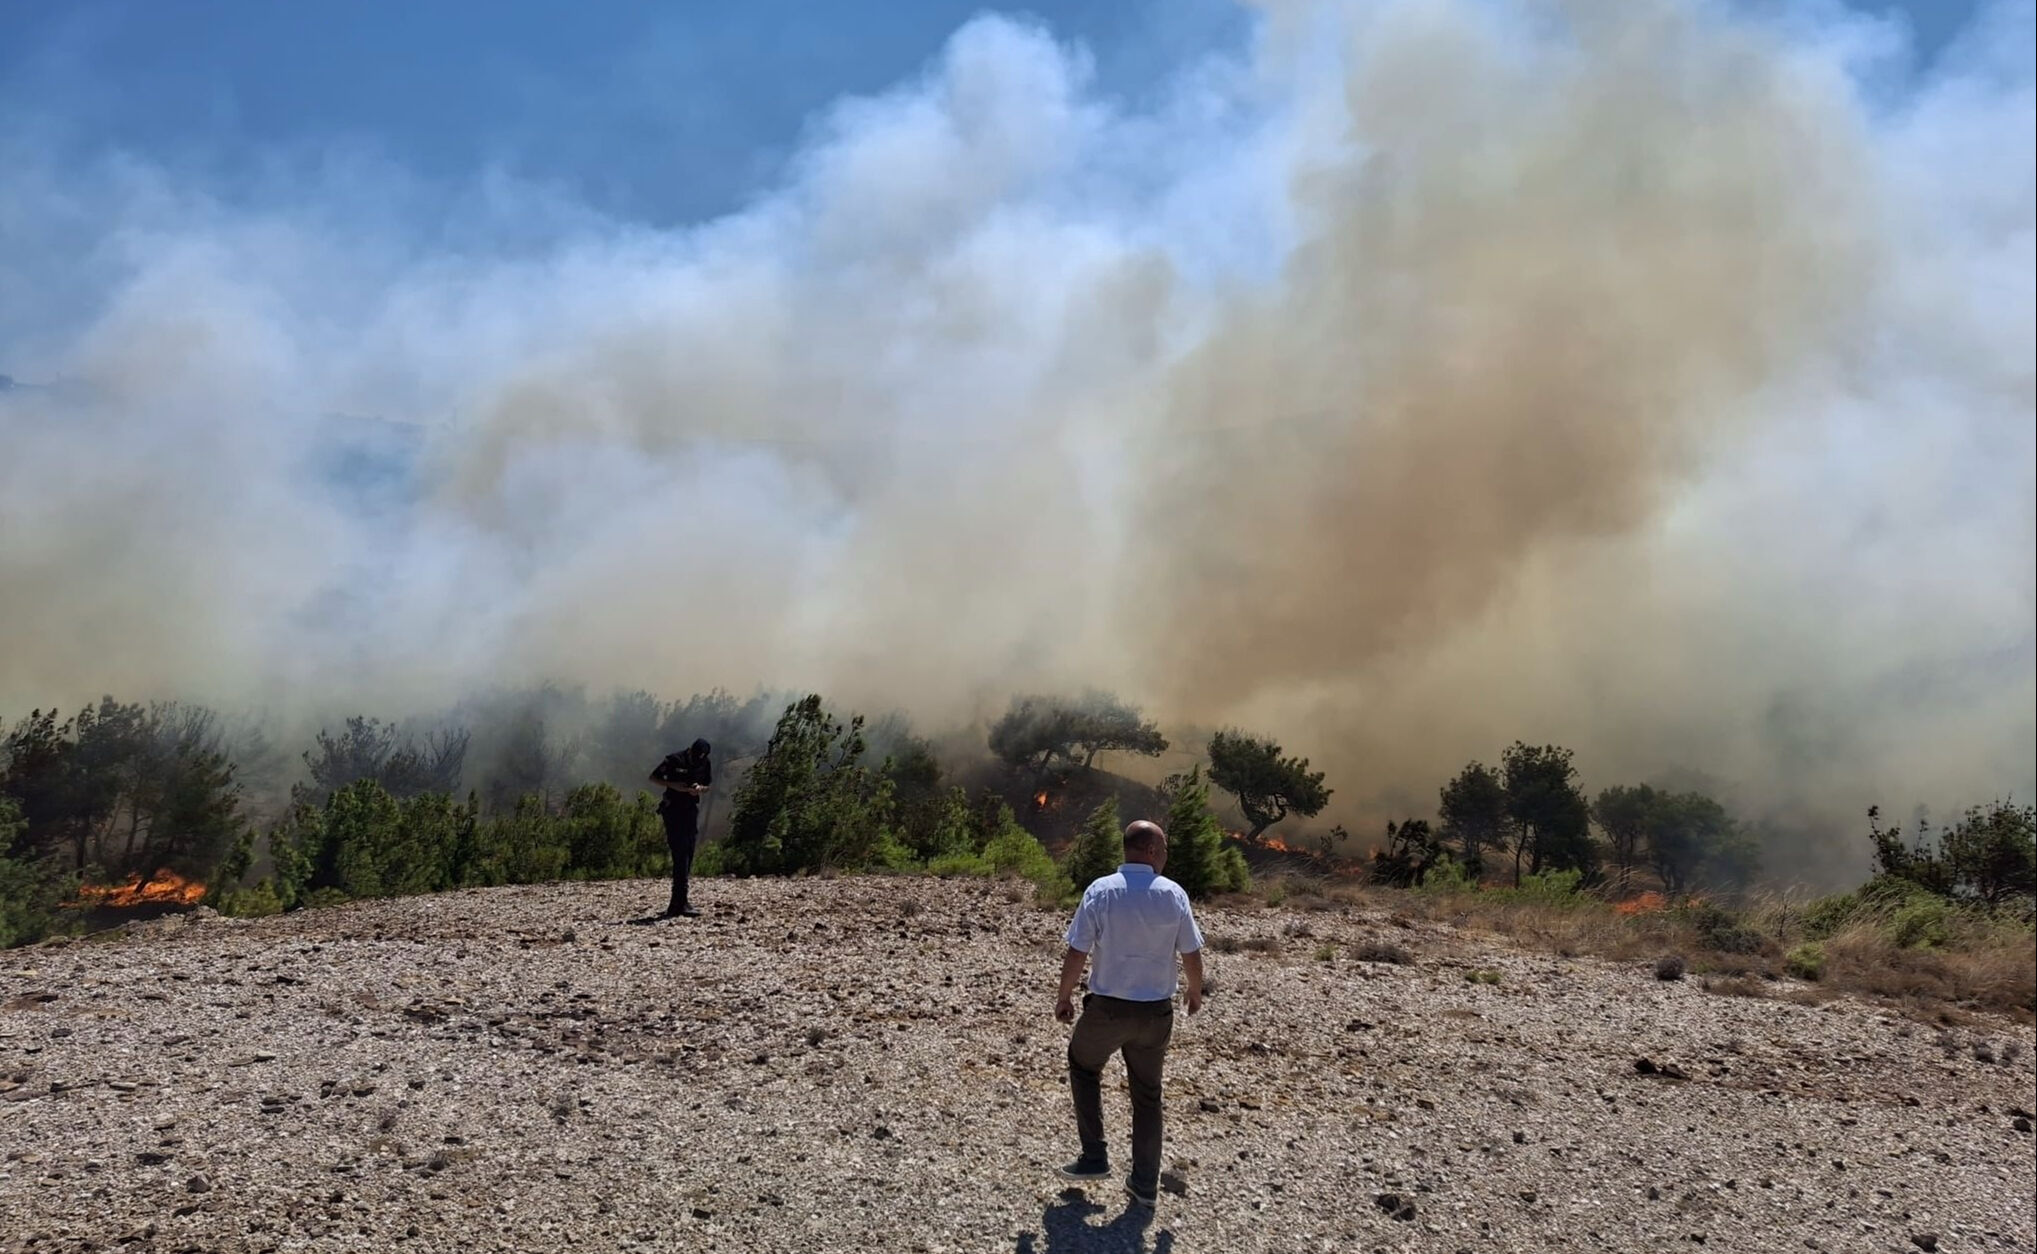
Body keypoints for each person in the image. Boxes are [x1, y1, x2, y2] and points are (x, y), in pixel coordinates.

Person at [1053, 818, 1204, 1209]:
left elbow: (1077, 951)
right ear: (1151, 851)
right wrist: (1194, 991)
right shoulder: (1173, 894)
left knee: (1083, 1065)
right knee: (1148, 1096)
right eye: (1164, 848)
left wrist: (1064, 996)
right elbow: (1191, 952)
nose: (1166, 854)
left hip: (1108, 1010)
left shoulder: (1101, 890)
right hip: (1156, 1015)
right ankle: (1145, 1184)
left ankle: (1094, 1157)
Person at [649, 738, 712, 918]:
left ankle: (679, 902)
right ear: (690, 750)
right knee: (680, 852)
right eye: (695, 757)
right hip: (673, 809)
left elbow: (708, 785)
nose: (696, 760)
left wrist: (699, 788)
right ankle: (679, 902)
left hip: (690, 809)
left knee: (688, 852)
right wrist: (674, 785)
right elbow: (653, 777)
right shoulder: (675, 759)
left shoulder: (704, 763)